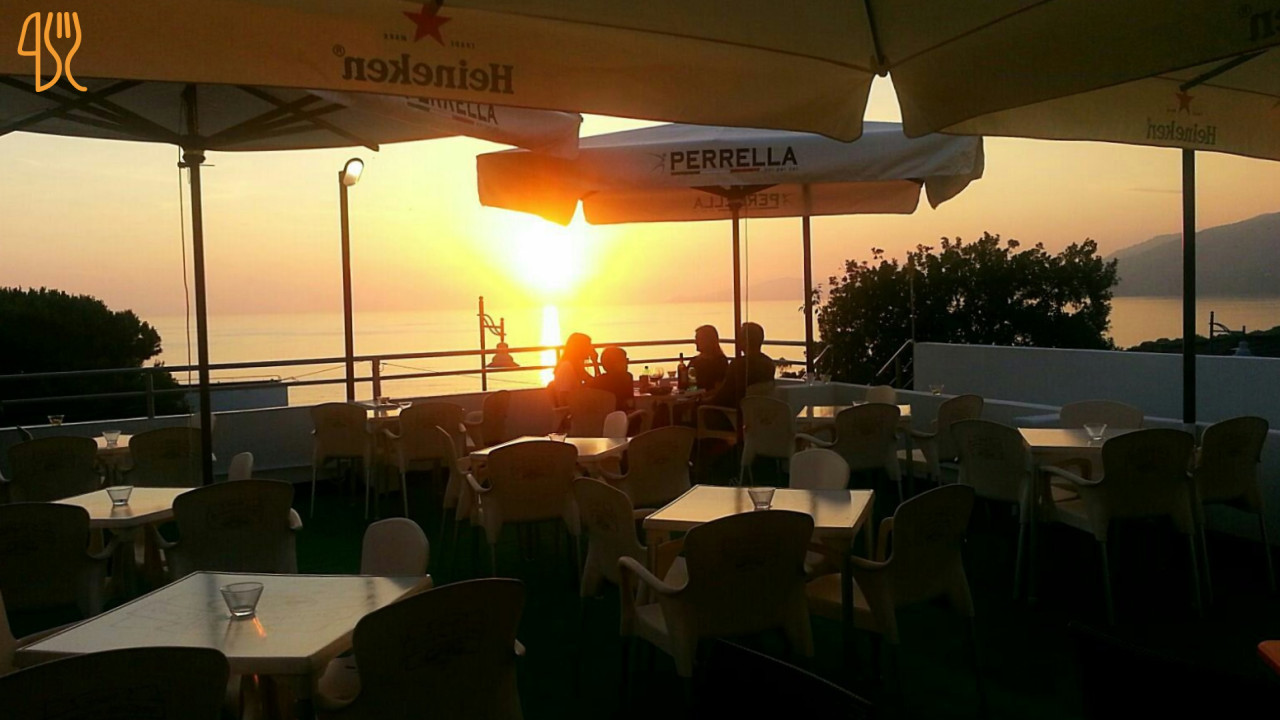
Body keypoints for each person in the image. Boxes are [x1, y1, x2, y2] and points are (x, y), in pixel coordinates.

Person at [708, 322, 775, 409]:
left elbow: (722, 396)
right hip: (757, 410)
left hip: (734, 411)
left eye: (739, 338)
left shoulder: (738, 365)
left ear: (744, 341)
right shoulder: (769, 363)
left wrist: (700, 401)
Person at [550, 332, 597, 401]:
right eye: (589, 346)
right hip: (572, 407)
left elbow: (595, 383)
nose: (591, 348)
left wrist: (595, 362)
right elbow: (563, 396)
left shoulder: (575, 365)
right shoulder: (567, 366)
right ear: (580, 348)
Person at [588, 346, 635, 411]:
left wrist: (595, 362)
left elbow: (597, 380)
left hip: (606, 415)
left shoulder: (601, 380)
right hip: (622, 415)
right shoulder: (627, 377)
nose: (627, 363)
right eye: (625, 360)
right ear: (615, 363)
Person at [689, 325, 728, 393]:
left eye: (699, 339)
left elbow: (719, 389)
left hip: (708, 397)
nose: (695, 342)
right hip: (694, 395)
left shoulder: (720, 362)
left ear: (709, 341)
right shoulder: (694, 361)